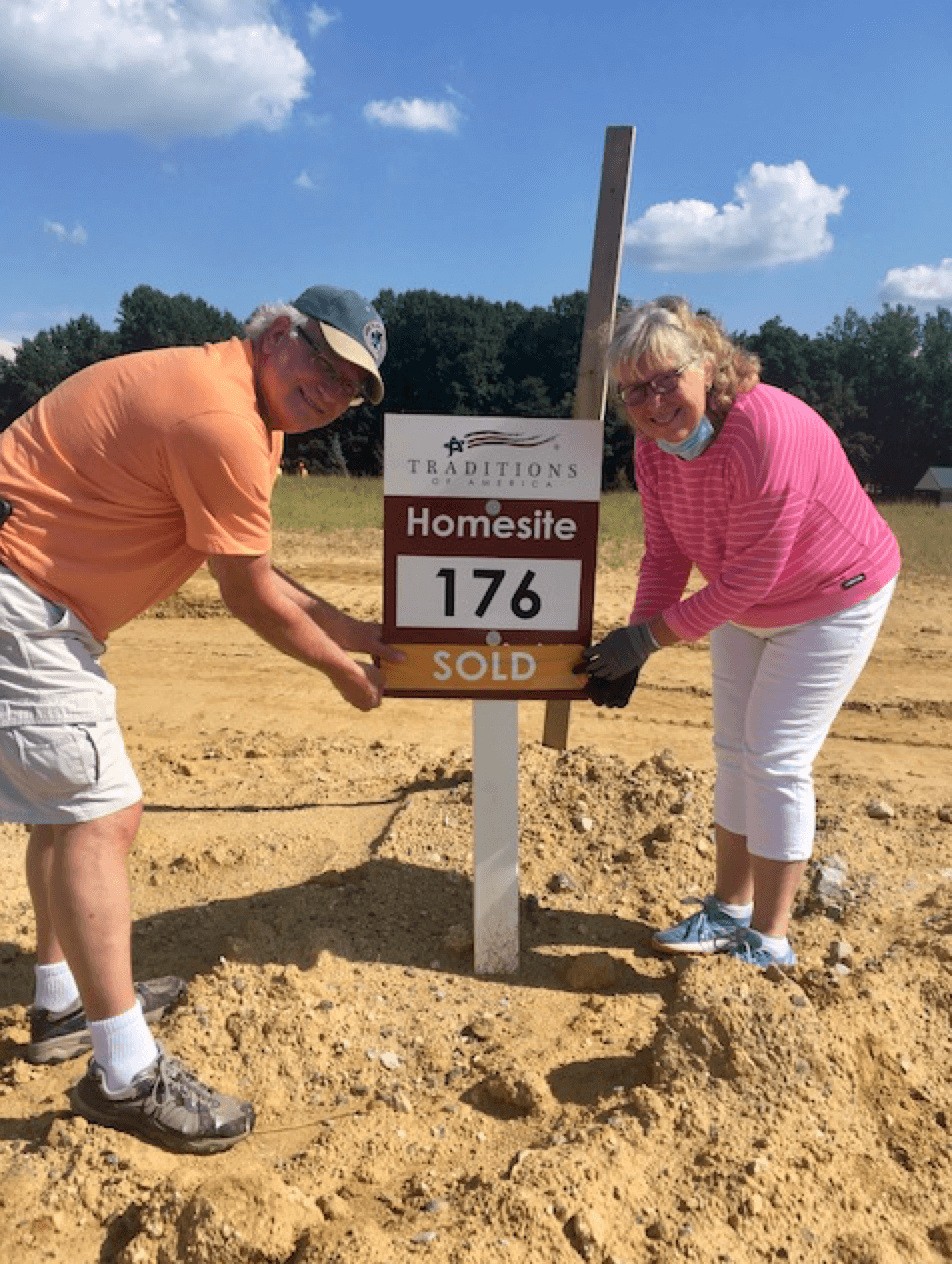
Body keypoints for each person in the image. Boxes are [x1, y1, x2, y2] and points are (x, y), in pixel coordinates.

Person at [0, 284, 402, 1152]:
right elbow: (249, 593)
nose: (331, 391)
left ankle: (63, 1000)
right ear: (280, 333)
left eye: (351, 386)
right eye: (322, 363)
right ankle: (123, 1074)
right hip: (21, 597)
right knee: (100, 815)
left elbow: (252, 558)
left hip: (37, 597)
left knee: (69, 809)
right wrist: (345, 670)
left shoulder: (248, 410)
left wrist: (353, 629)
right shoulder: (219, 416)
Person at [578, 296, 900, 970]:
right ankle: (728, 911)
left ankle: (770, 939)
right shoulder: (654, 448)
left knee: (775, 756)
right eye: (636, 390)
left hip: (832, 596)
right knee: (733, 750)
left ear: (707, 364)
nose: (655, 402)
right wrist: (639, 641)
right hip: (745, 603)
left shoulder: (765, 431)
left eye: (667, 379)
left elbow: (751, 575)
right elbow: (666, 555)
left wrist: (647, 639)